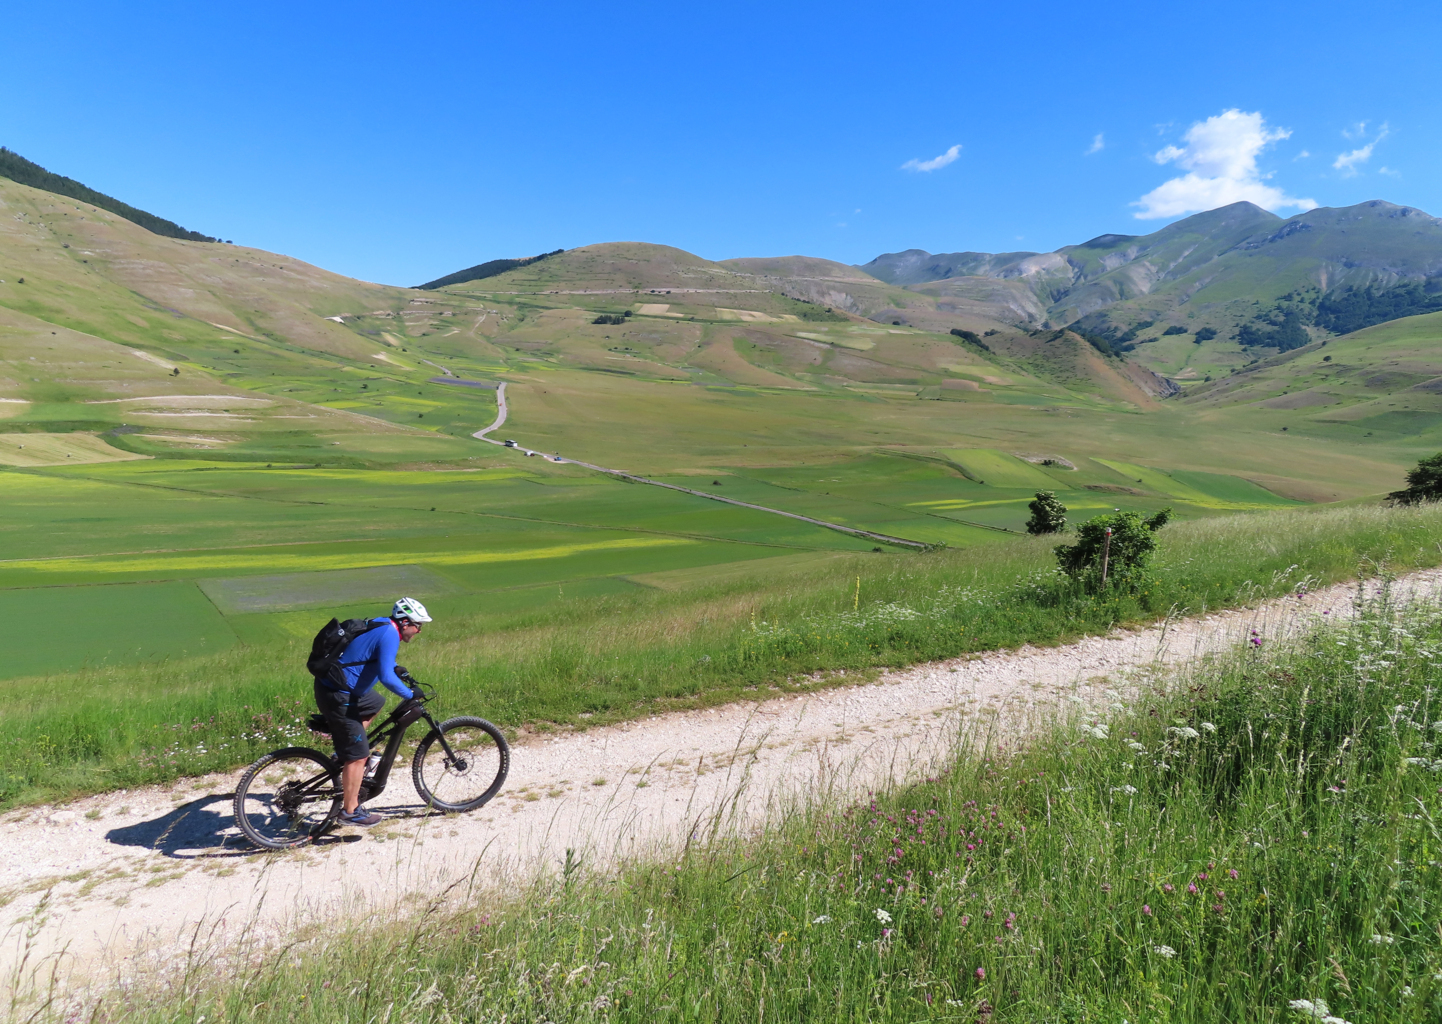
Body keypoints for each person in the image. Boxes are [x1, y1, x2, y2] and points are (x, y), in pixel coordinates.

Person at [314, 597, 431, 826]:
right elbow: (386, 677)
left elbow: (372, 655)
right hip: (339, 695)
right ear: (405, 622)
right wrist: (410, 695)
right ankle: (349, 811)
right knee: (359, 755)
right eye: (418, 625)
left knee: (375, 701)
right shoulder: (389, 634)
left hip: (335, 688)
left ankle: (343, 752)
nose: (419, 631)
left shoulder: (382, 624)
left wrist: (395, 667)